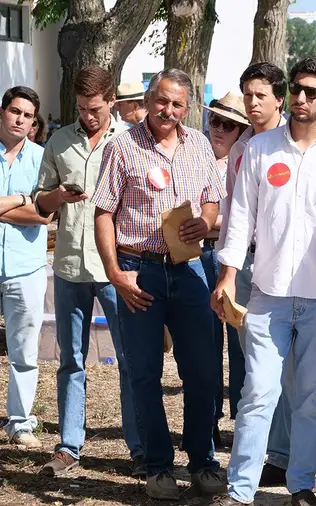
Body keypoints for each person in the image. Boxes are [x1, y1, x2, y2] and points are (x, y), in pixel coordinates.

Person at [209, 56, 316, 506]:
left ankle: (300, 486)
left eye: (312, 92)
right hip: (267, 294)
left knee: (312, 398)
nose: (300, 98)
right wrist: (227, 274)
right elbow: (240, 218)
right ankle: (239, 492)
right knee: (257, 393)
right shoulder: (259, 149)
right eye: (296, 88)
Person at [92, 69, 226, 500]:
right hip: (139, 271)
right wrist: (115, 272)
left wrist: (205, 222)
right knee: (145, 374)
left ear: (188, 108)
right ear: (149, 100)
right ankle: (158, 466)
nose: (168, 111)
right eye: (162, 101)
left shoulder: (200, 144)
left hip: (189, 270)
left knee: (203, 372)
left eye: (178, 104)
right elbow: (104, 213)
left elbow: (212, 197)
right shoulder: (122, 147)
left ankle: (202, 460)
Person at [32, 67, 144, 478]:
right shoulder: (59, 141)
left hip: (116, 267)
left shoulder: (131, 141)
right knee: (70, 361)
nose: (88, 116)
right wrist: (57, 196)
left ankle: (139, 446)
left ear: (111, 101)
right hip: (69, 266)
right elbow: (39, 201)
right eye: (81, 109)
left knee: (132, 360)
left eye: (95, 108)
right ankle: (68, 446)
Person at [0, 86, 51, 450]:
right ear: (2, 112)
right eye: (15, 111)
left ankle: (19, 421)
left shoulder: (41, 157)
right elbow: (30, 206)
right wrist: (21, 198)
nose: (20, 120)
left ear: (34, 123)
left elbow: (43, 213)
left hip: (25, 266)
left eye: (27, 115)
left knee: (23, 350)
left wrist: (28, 206)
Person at [200, 91, 249, 438]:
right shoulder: (194, 156)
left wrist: (209, 219)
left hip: (235, 257)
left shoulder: (247, 161)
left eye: (228, 125)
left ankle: (243, 419)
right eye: (214, 121)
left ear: (240, 131)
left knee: (242, 344)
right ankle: (209, 420)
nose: (218, 129)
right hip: (200, 254)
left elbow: (242, 220)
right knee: (205, 344)